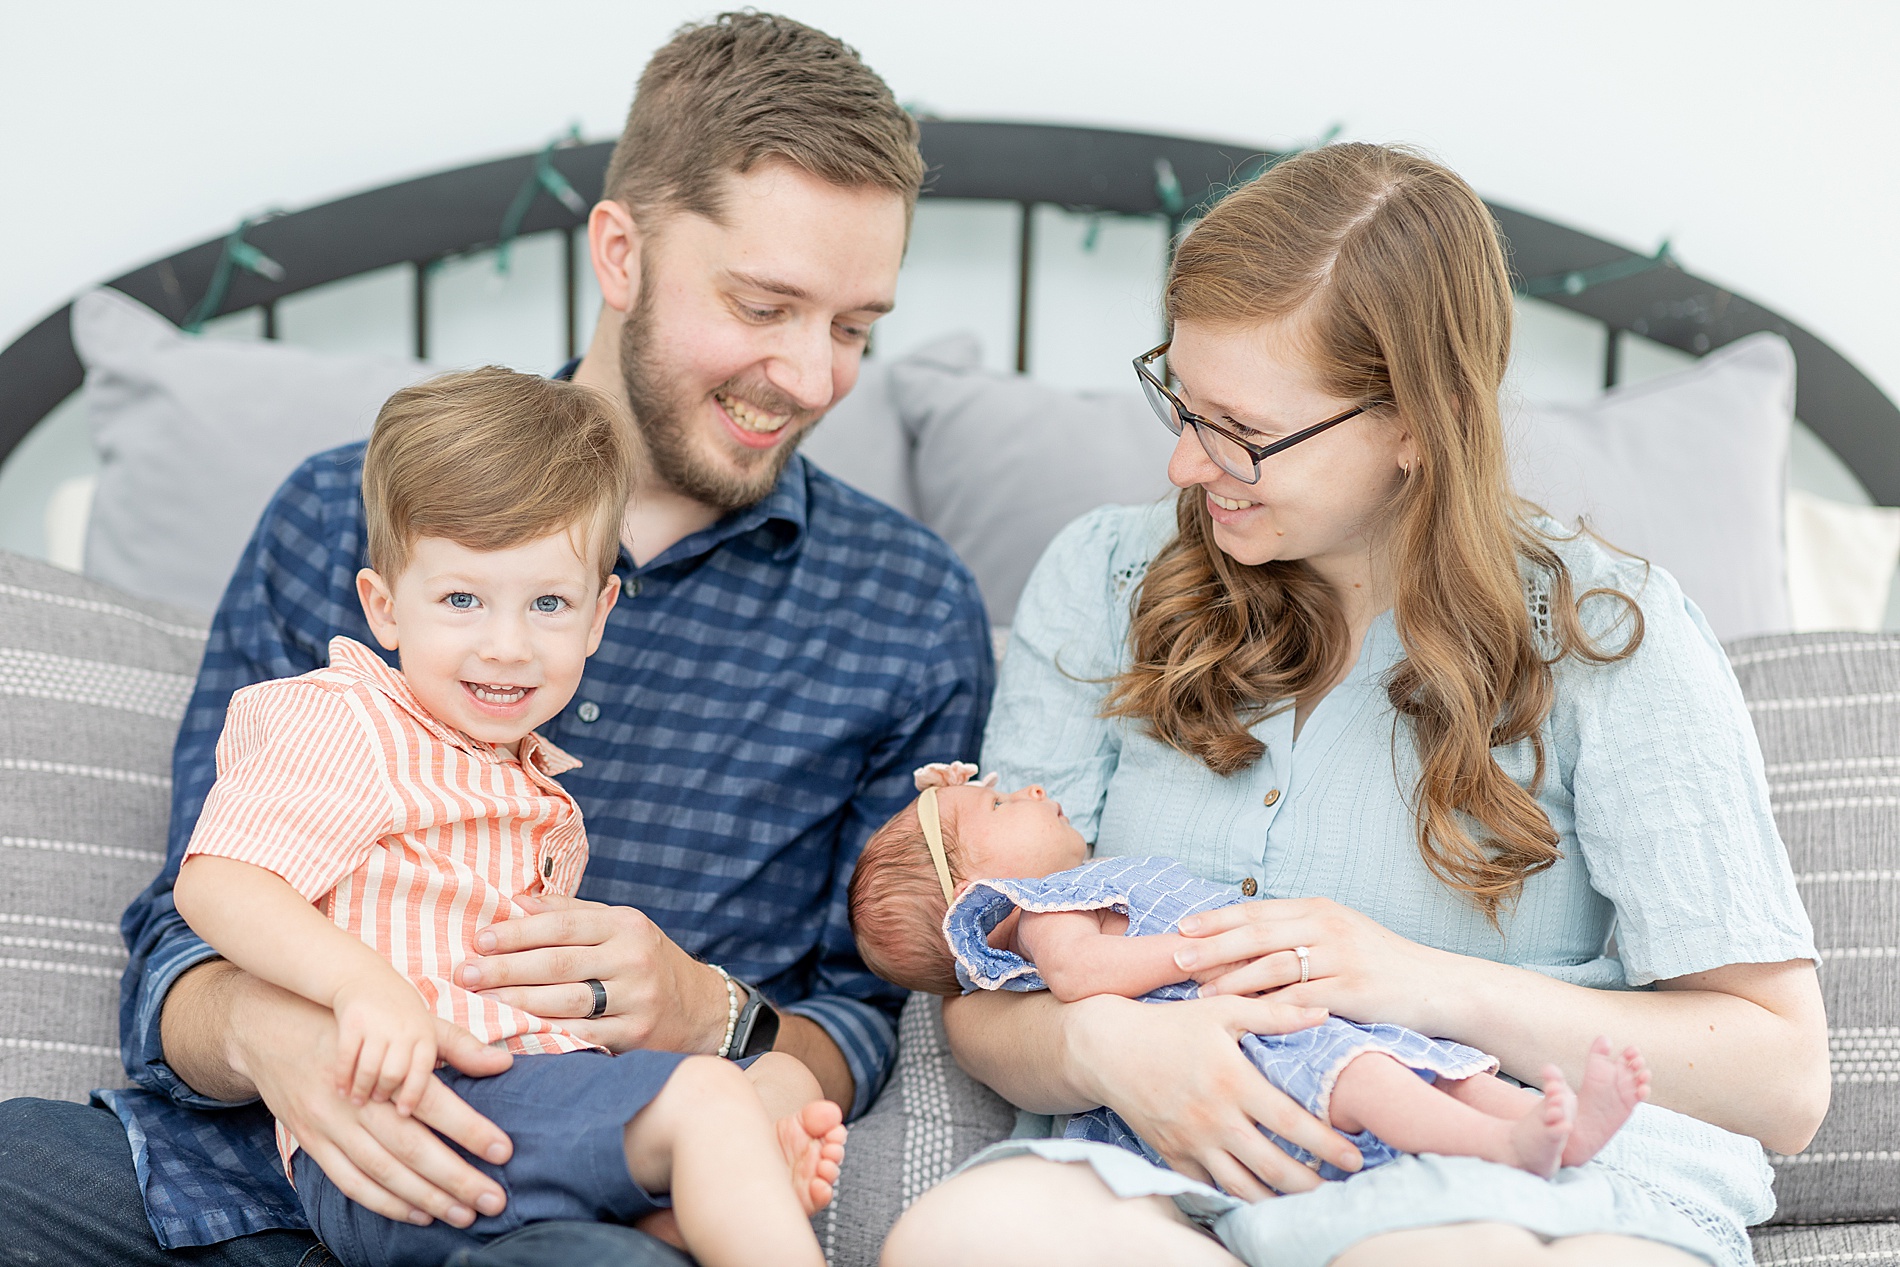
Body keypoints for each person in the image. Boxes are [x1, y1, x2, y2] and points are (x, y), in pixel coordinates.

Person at [0, 13, 990, 1267]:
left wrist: (712, 1013)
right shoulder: (344, 509)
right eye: (763, 305)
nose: (808, 375)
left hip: (559, 1198)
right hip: (235, 1173)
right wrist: (285, 1042)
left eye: (853, 327)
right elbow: (186, 928)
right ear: (619, 253)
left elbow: (870, 1021)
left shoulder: (907, 614)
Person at [881, 144, 1827, 1267]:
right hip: (1168, 1174)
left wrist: (1417, 982)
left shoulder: (1606, 635)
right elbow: (988, 977)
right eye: (1180, 401)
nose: (1187, 464)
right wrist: (1105, 1049)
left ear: (1413, 426)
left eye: (1240, 430)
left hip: (1522, 1184)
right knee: (968, 1234)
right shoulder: (1103, 579)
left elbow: (1781, 1077)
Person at [170, 367, 846, 1267]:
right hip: (412, 1115)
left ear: (599, 615)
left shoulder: (511, 768)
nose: (506, 644)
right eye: (461, 600)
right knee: (712, 1105)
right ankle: (711, 1180)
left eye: (549, 604)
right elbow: (218, 877)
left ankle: (683, 1208)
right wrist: (358, 987)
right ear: (384, 606)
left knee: (780, 1077)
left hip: (524, 1096)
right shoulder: (349, 718)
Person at [848, 765, 1648, 1185]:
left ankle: (1546, 1121)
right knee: (1370, 1076)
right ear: (975, 893)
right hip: (1235, 1035)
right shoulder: (1046, 909)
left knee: (1410, 1058)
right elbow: (1085, 972)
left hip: (1281, 1004)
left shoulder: (1085, 883)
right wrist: (1193, 955)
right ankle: (1507, 1142)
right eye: (994, 806)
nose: (1023, 789)